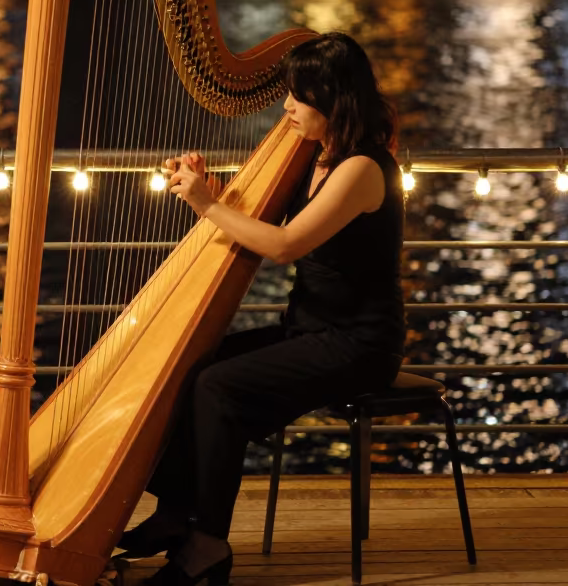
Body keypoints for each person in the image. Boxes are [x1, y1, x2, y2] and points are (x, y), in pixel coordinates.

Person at [119, 32, 407, 586]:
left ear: (332, 98)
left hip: (359, 344)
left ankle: (206, 546)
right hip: (310, 330)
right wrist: (211, 188)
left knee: (220, 387)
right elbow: (271, 220)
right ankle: (177, 515)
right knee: (194, 367)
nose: (287, 107)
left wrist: (205, 203)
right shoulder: (320, 157)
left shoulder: (362, 169)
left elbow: (283, 245)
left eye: (298, 97)